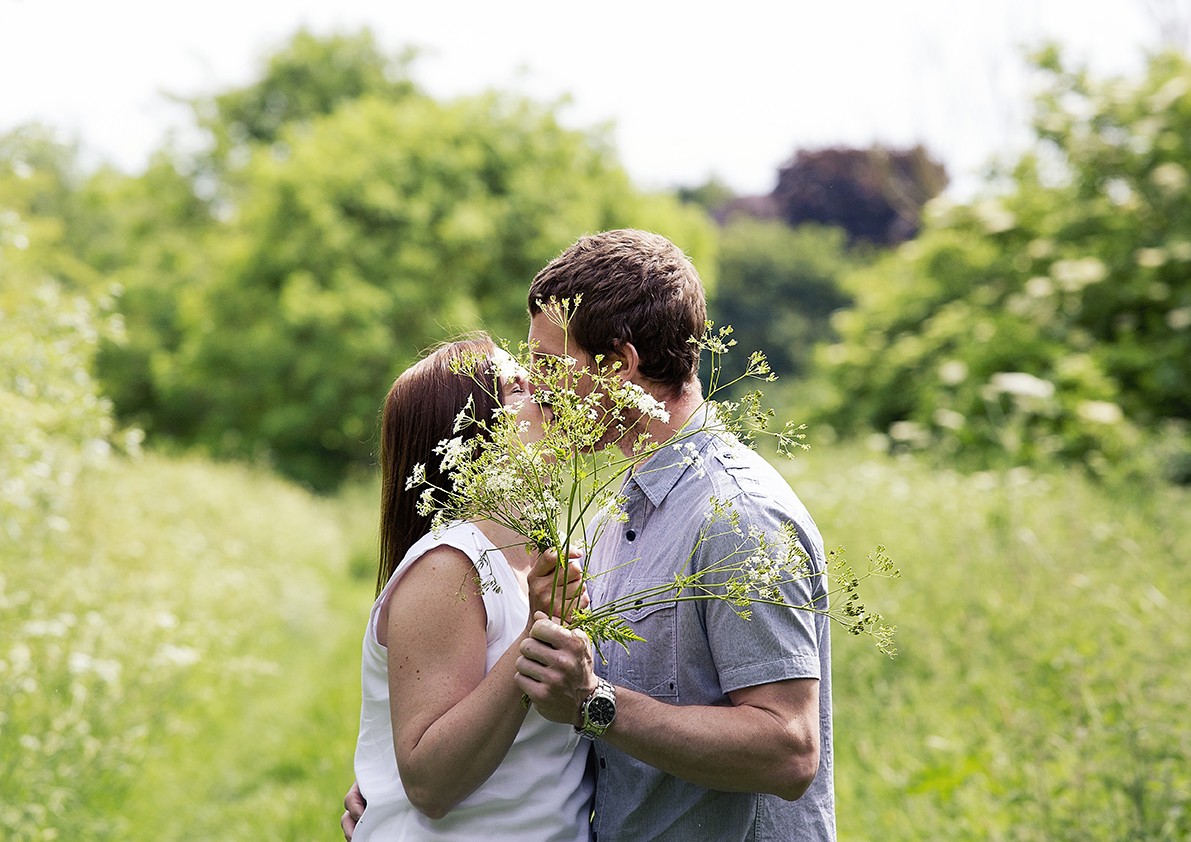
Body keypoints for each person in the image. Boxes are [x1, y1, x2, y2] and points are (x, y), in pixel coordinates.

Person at [345, 230, 834, 841]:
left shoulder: (738, 515)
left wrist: (593, 704)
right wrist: (393, 795)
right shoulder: (606, 523)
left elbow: (788, 751)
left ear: (619, 365)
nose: (541, 389)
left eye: (549, 365)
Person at [345, 336, 594, 842]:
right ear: (470, 432)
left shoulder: (550, 550)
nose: (546, 388)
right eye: (517, 386)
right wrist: (536, 637)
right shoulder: (451, 565)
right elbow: (431, 783)